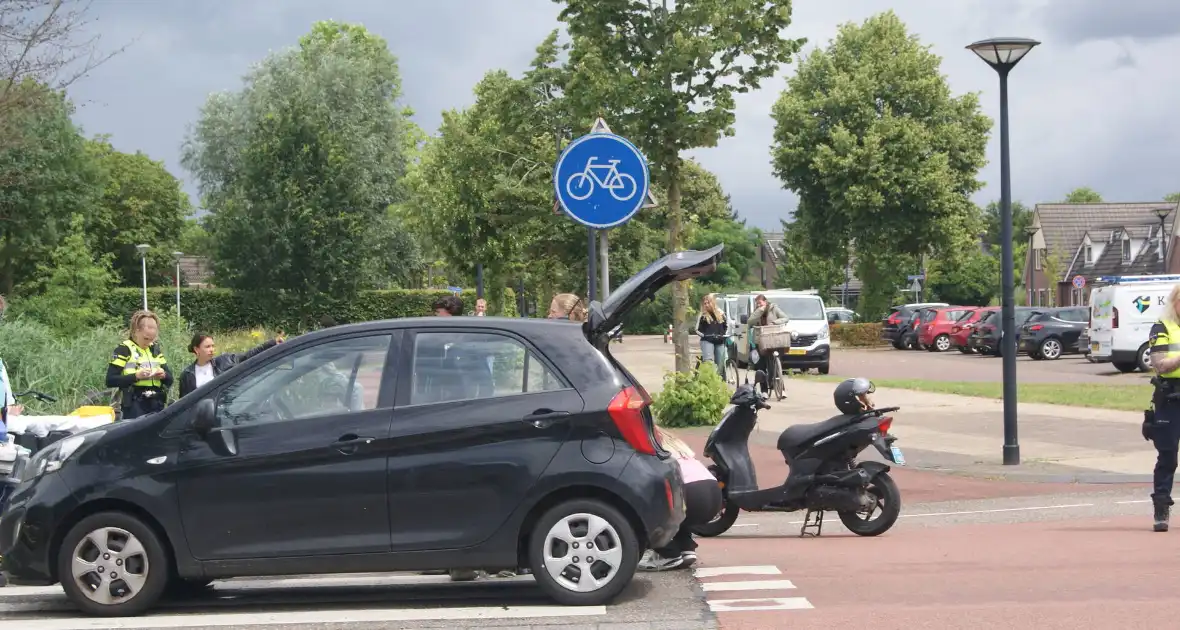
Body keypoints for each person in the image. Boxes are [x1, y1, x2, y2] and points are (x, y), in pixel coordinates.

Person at [639, 427, 722, 571]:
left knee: (642, 508)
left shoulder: (650, 444)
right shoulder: (673, 442)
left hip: (691, 492)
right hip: (713, 490)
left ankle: (669, 554)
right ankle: (686, 547)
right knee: (678, 508)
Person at [1145, 283, 1180, 532]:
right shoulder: (1162, 327)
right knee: (1167, 456)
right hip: (1171, 397)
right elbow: (1159, 364)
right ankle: (1161, 508)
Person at [106, 310, 173, 420]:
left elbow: (170, 380)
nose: (149, 342)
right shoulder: (124, 349)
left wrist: (163, 375)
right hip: (134, 405)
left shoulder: (154, 350)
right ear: (136, 331)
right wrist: (136, 376)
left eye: (152, 339)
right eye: (146, 338)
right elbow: (110, 380)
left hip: (156, 403)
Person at [178, 332, 286, 398]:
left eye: (213, 346)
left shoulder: (225, 361)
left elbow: (248, 355)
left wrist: (272, 343)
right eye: (207, 347)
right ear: (197, 349)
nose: (212, 350)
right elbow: (183, 405)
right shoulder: (187, 375)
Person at [746, 294, 790, 394]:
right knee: (761, 365)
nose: (758, 305)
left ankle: (781, 389)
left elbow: (785, 318)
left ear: (765, 302)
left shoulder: (774, 308)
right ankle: (764, 390)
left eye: (760, 303)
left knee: (776, 363)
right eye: (757, 304)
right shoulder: (757, 312)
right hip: (760, 341)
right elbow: (750, 322)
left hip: (773, 339)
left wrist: (775, 322)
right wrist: (760, 310)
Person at [695, 294, 728, 378]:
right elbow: (696, 329)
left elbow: (726, 325)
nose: (706, 305)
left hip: (719, 340)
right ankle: (708, 381)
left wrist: (723, 334)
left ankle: (721, 381)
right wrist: (705, 335)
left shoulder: (721, 313)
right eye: (704, 303)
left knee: (720, 363)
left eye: (708, 303)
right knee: (709, 362)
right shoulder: (702, 315)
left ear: (713, 303)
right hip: (707, 340)